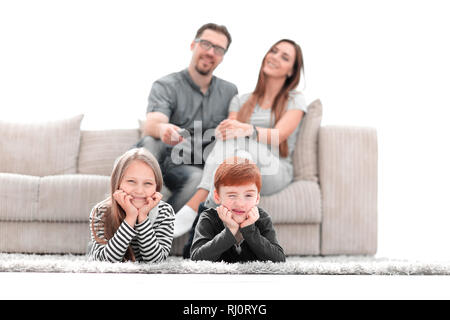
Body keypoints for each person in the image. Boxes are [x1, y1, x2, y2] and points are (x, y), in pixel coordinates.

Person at [182, 39, 307, 257]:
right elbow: (229, 134)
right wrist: (225, 131)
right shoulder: (240, 101)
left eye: (284, 57)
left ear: (291, 71)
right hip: (240, 172)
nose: (275, 56)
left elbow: (279, 135)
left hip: (274, 170)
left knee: (240, 141)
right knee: (234, 144)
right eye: (273, 51)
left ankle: (196, 204)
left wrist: (246, 130)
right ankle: (203, 239)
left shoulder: (295, 99)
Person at [136, 23, 238, 238]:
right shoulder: (166, 85)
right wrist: (164, 129)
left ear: (222, 56)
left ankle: (149, 235)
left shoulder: (230, 91)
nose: (211, 52)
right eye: (206, 44)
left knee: (199, 179)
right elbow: (152, 124)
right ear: (193, 45)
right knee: (148, 143)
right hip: (165, 160)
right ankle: (120, 221)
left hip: (194, 168)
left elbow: (232, 132)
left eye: (218, 49)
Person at [190, 157, 285, 263]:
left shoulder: (262, 218)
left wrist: (249, 230)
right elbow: (196, 259)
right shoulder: (208, 217)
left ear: (257, 198)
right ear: (217, 197)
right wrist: (230, 231)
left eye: (248, 195)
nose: (240, 203)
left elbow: (279, 260)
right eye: (232, 195)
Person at [88, 148, 174, 262]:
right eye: (131, 181)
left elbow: (156, 261)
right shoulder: (101, 211)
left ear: (156, 187)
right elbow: (105, 262)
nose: (139, 191)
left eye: (148, 183)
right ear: (117, 182)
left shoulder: (164, 212)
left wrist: (142, 217)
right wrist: (130, 217)